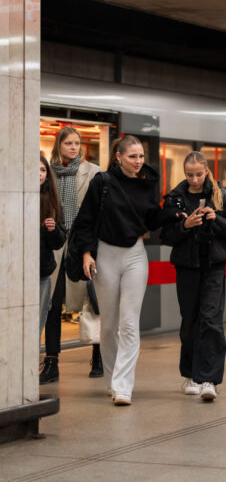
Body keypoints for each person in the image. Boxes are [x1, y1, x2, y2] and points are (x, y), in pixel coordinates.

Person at [73, 135, 176, 405]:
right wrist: (86, 253)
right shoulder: (102, 182)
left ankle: (123, 386)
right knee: (109, 325)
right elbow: (86, 219)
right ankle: (111, 379)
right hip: (105, 255)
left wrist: (171, 212)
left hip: (135, 255)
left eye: (141, 156)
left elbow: (151, 219)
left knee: (129, 323)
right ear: (118, 157)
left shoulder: (146, 184)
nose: (138, 161)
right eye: (132, 156)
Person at [161, 151, 226, 402]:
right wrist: (185, 226)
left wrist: (216, 219)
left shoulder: (223, 197)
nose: (195, 179)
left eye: (198, 174)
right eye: (189, 175)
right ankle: (191, 375)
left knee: (211, 320)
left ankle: (209, 379)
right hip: (186, 268)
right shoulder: (175, 199)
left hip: (214, 267)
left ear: (207, 171)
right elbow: (164, 236)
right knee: (190, 322)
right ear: (184, 173)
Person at [42, 126, 103, 384]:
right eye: (68, 143)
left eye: (77, 143)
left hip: (84, 243)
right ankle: (51, 362)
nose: (74, 147)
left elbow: (100, 210)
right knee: (53, 304)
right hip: (56, 242)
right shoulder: (47, 172)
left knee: (93, 300)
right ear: (59, 145)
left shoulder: (94, 172)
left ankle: (98, 355)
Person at [39, 154, 66, 336]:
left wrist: (53, 230)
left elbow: (58, 243)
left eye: (43, 170)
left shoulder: (53, 202)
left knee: (37, 326)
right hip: (13, 275)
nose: (39, 174)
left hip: (42, 274)